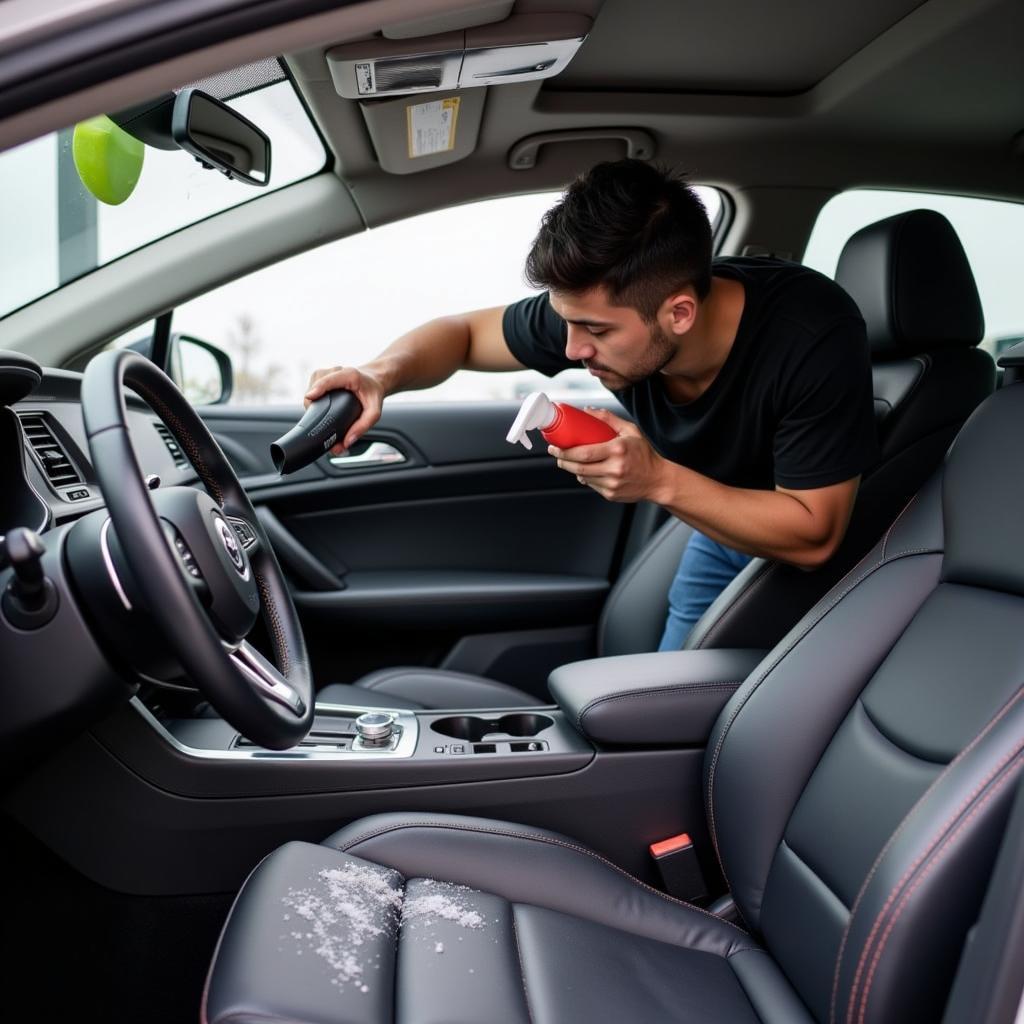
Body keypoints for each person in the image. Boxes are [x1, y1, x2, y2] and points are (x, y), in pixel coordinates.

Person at [305, 160, 879, 650]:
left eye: (596, 332)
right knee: (669, 689)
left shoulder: (809, 338)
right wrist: (381, 374)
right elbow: (461, 334)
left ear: (679, 313)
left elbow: (814, 535)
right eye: (567, 323)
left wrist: (657, 480)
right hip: (719, 522)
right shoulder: (605, 309)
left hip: (817, 545)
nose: (574, 349)